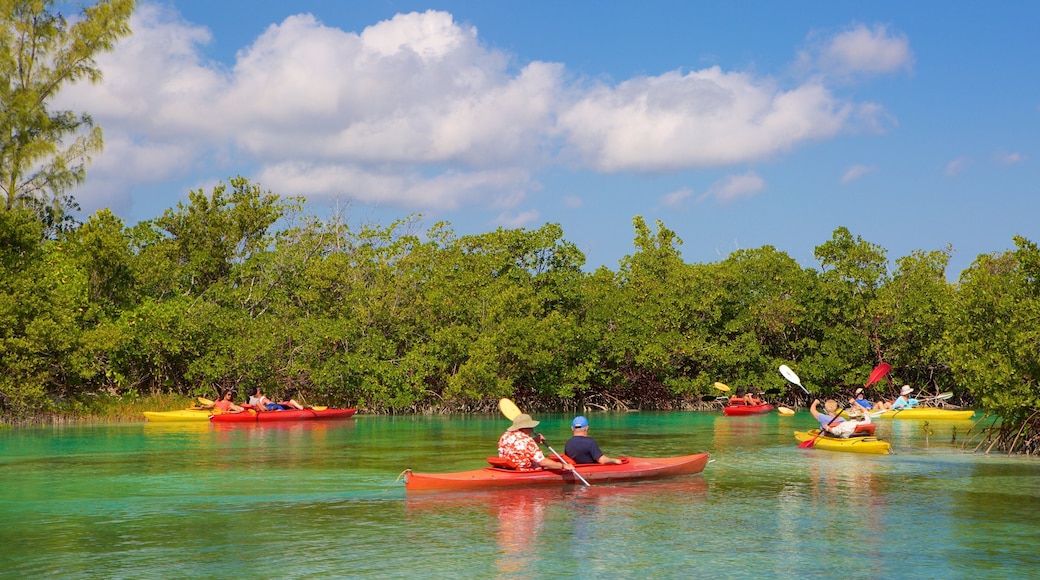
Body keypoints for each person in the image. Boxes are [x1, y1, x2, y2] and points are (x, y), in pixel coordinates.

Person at [498, 413, 575, 472]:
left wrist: (534, 440)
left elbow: (517, 446)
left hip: (507, 467)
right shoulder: (527, 440)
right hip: (523, 470)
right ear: (525, 427)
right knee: (545, 465)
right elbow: (543, 462)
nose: (532, 429)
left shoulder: (505, 436)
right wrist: (563, 466)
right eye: (531, 427)